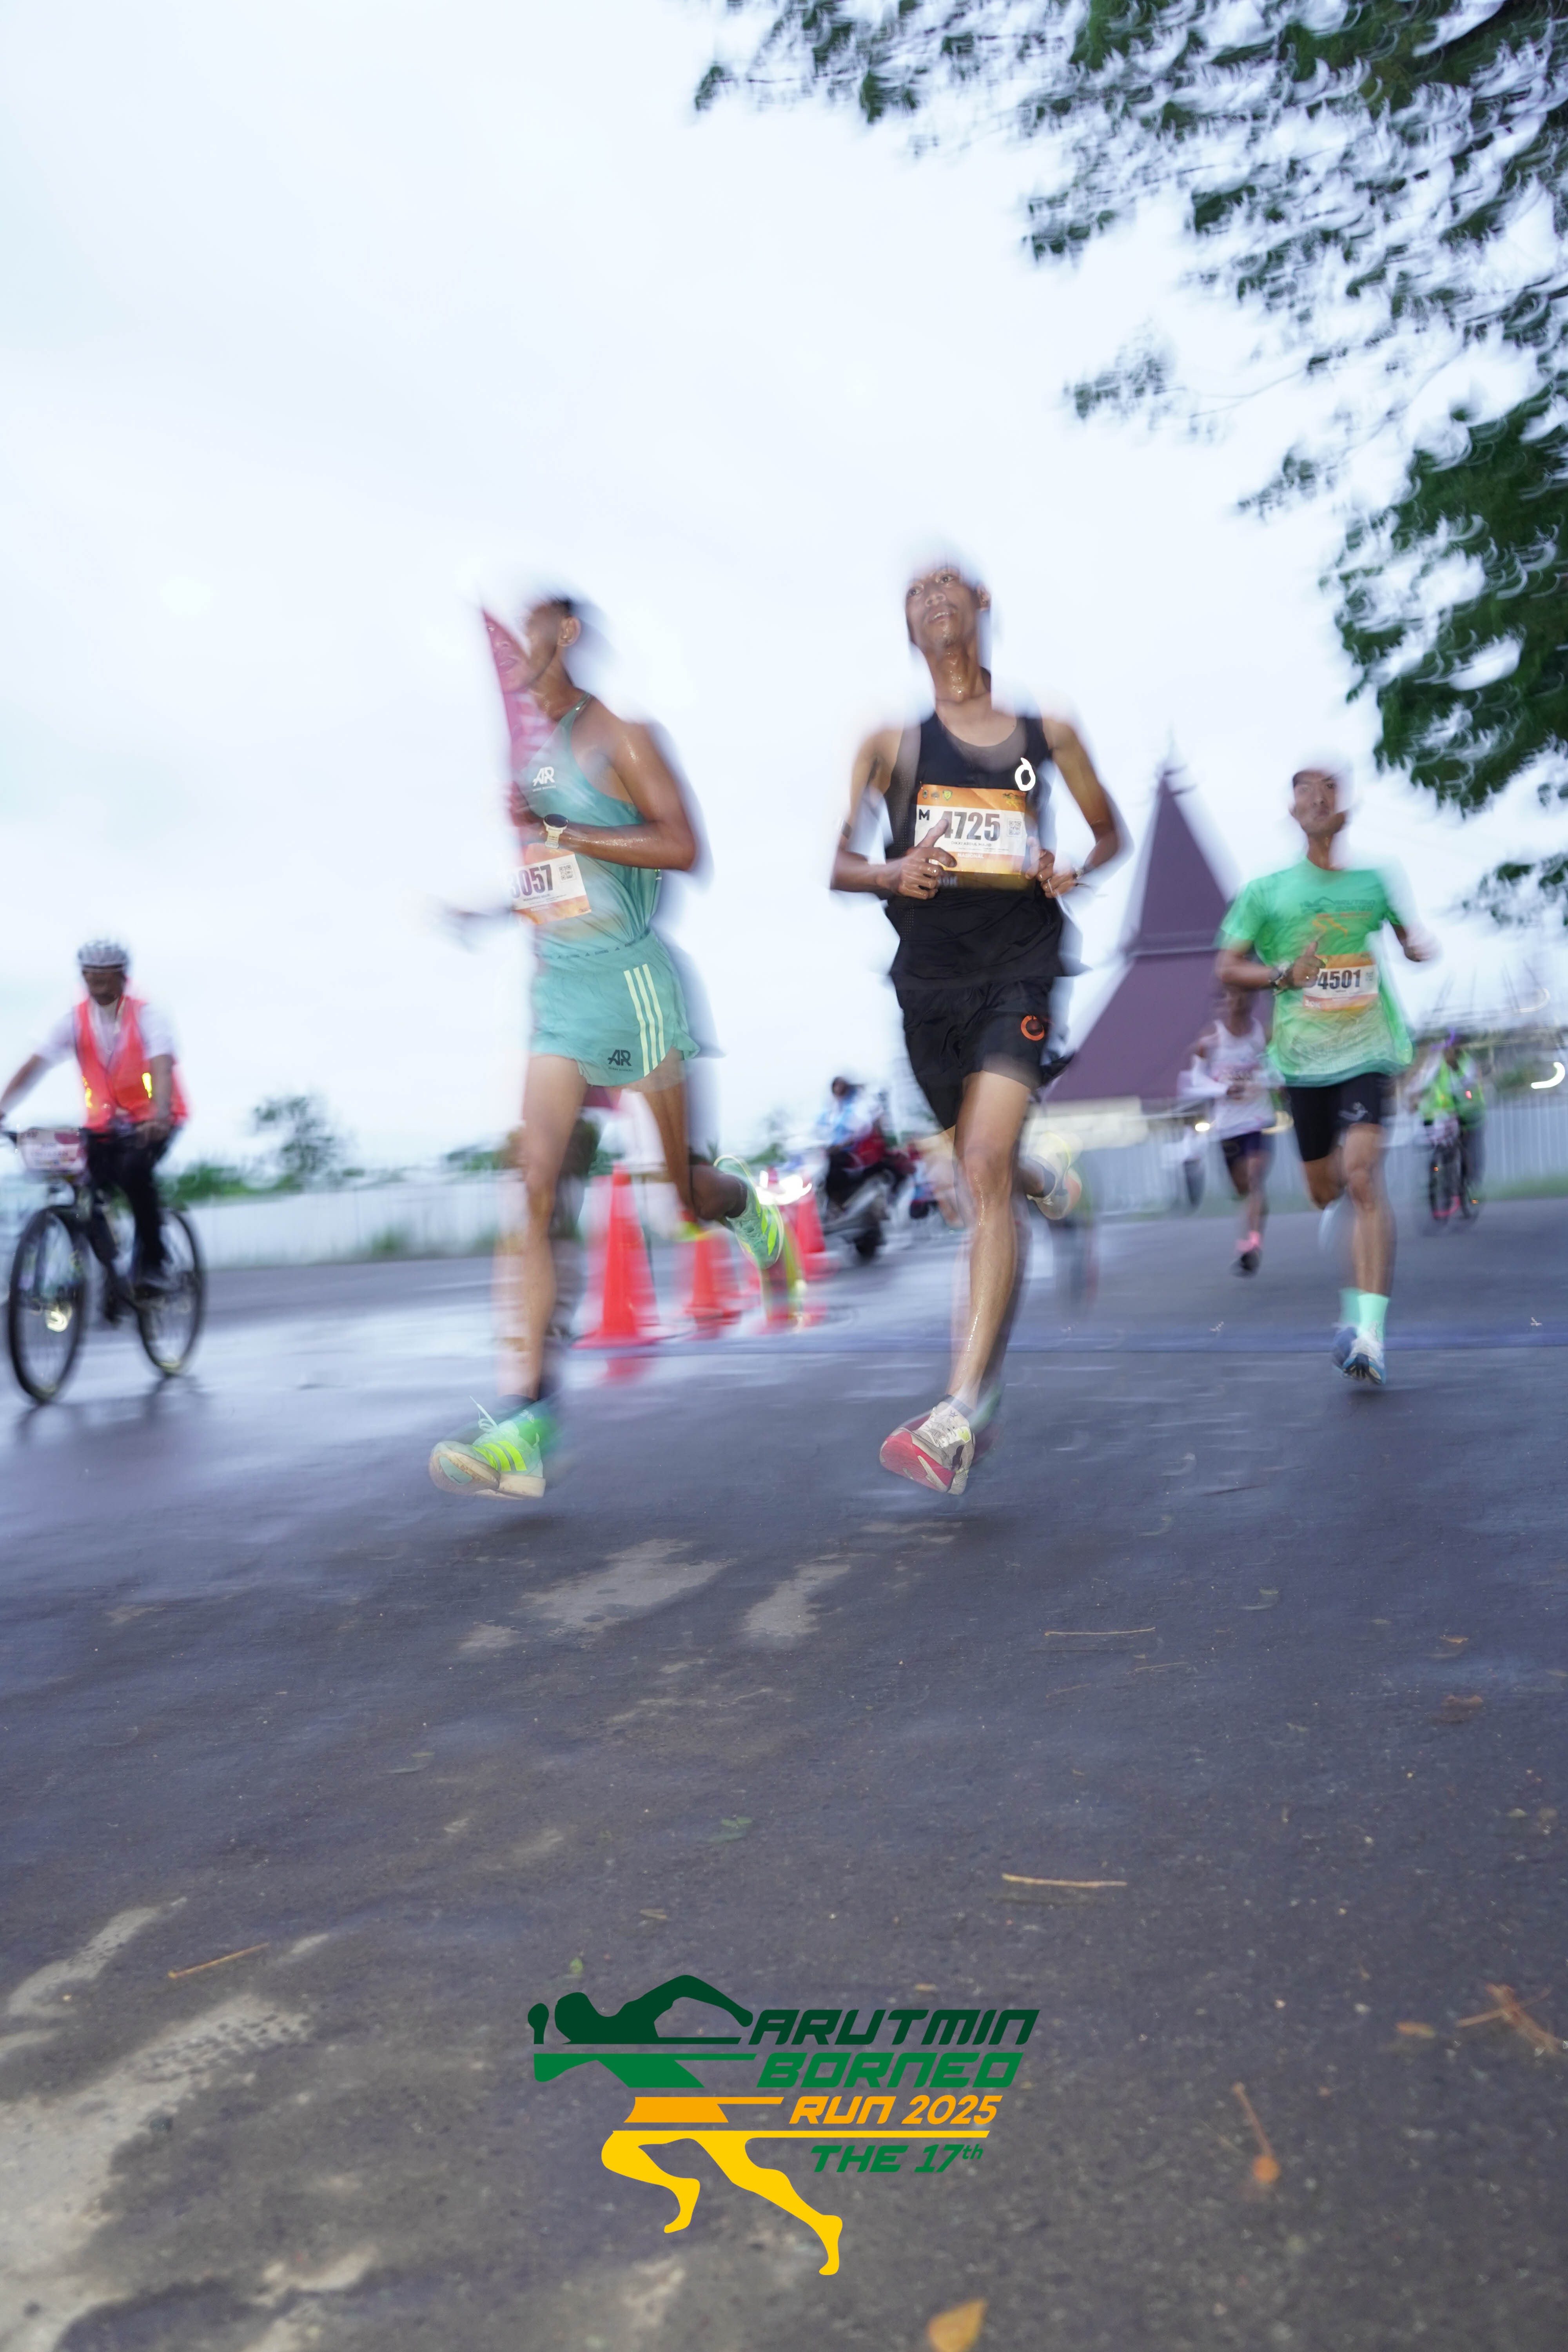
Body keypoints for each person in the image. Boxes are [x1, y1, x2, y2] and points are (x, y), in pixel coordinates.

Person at [428, 594, 783, 1501]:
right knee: (536, 1185)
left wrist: (566, 827)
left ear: (568, 636)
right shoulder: (539, 764)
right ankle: (526, 1421)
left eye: (534, 626)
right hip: (562, 997)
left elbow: (682, 847)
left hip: (635, 989)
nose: (519, 643)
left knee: (684, 1198)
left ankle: (743, 1204)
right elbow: (561, 880)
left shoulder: (623, 736)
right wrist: (492, 907)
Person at [831, 556, 1122, 1491]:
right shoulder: (888, 744)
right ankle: (1045, 1182)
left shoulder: (1045, 732)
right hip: (929, 984)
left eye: (945, 583)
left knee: (983, 1168)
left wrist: (1074, 866)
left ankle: (959, 1412)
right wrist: (890, 872)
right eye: (913, 592)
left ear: (981, 603)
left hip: (1020, 968)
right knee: (980, 1169)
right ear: (906, 626)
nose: (931, 597)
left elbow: (1109, 833)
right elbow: (838, 862)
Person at [1216, 766, 1434, 1385]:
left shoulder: (1375, 881)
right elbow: (1228, 967)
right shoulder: (1266, 892)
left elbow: (1406, 933)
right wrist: (1284, 975)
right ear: (1293, 810)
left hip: (1368, 1048)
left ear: (1345, 809)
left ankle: (1368, 1333)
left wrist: (1416, 946)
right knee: (1325, 1189)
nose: (1317, 797)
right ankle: (1338, 1210)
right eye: (1304, 789)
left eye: (1330, 788)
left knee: (1363, 1176)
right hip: (1303, 1062)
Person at [0, 940, 187, 1298]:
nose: (97, 985)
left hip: (157, 1118)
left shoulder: (148, 1015)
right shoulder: (74, 1019)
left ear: (123, 976)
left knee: (135, 1173)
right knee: (83, 1186)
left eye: (105, 978)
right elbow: (35, 1064)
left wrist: (159, 1114)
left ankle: (155, 1263)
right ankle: (110, 1272)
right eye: (90, 977)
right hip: (104, 1124)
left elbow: (162, 1067)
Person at [1186, 985, 1276, 1273]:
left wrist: (1266, 1080)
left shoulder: (1262, 1035)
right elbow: (1195, 1082)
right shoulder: (1210, 1040)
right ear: (1223, 1003)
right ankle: (1250, 1233)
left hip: (1258, 1120)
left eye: (1242, 996)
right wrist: (1225, 1089)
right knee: (1241, 1189)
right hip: (1228, 1127)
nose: (1236, 1002)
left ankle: (1252, 1246)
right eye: (1230, 997)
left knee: (1254, 1179)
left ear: (1251, 1000)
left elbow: (1277, 1069)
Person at [1415, 1031, 1485, 1202]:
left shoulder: (1468, 1063)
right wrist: (1416, 1095)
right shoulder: (1437, 1063)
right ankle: (1443, 1181)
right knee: (1442, 1146)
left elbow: (1468, 1085)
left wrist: (1456, 1068)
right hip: (1449, 1114)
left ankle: (1470, 1185)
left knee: (1471, 1152)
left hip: (1470, 1114)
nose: (1450, 1050)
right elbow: (1424, 1082)